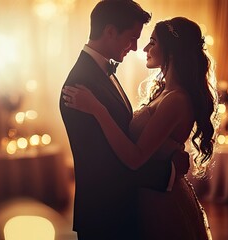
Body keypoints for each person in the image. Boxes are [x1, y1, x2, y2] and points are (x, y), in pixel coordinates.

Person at [62, 16, 218, 239]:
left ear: (171, 51)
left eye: (152, 42)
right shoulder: (165, 92)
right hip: (145, 196)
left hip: (160, 203)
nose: (144, 48)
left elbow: (134, 158)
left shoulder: (176, 99)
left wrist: (98, 109)